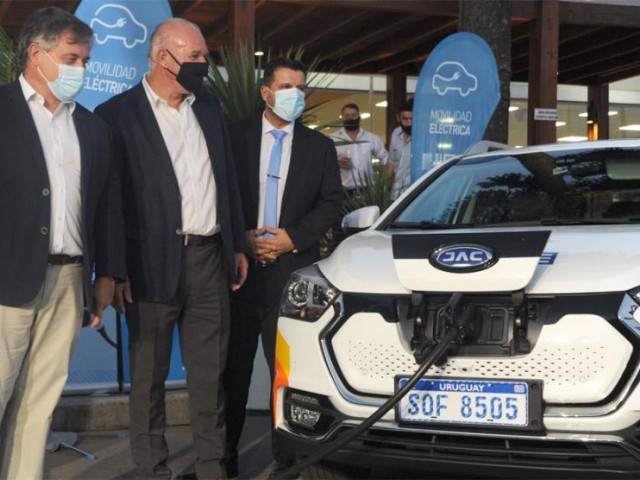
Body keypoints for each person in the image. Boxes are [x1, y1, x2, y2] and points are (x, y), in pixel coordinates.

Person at [95, 18, 248, 479]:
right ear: (165, 57)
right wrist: (115, 270)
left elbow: (227, 182)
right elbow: (111, 204)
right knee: (148, 382)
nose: (205, 64)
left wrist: (236, 242)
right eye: (197, 56)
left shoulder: (209, 109)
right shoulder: (116, 115)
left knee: (209, 378)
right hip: (148, 266)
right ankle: (153, 471)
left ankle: (210, 469)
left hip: (209, 259)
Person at [0, 7, 125, 479]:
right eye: (72, 57)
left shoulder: (92, 128)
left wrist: (107, 274)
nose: (82, 70)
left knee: (40, 402)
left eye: (86, 60)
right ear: (36, 54)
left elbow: (108, 207)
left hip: (70, 281)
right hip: (7, 280)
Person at [223, 57, 343, 479]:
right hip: (237, 275)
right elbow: (217, 194)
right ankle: (222, 463)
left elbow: (332, 203)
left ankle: (287, 463)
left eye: (301, 87)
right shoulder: (232, 138)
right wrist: (242, 239)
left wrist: (293, 237)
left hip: (290, 277)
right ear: (266, 92)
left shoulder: (318, 146)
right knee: (230, 375)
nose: (297, 94)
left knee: (287, 376)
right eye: (287, 86)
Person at [332, 103, 389, 195]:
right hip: (342, 192)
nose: (350, 118)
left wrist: (380, 185)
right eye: (347, 116)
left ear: (359, 118)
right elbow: (323, 163)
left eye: (354, 115)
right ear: (341, 118)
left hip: (367, 192)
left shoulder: (371, 138)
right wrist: (337, 162)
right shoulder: (333, 139)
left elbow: (386, 159)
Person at [388, 99, 413, 200]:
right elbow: (392, 162)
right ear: (398, 118)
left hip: (413, 193)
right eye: (405, 119)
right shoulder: (396, 133)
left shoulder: (423, 137)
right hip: (395, 194)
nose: (409, 123)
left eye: (412, 119)